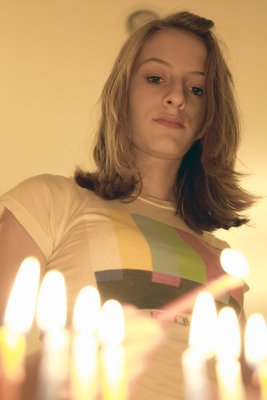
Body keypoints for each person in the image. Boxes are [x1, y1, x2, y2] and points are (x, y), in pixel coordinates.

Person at [0, 10, 257, 399]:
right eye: (156, 78)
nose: (177, 97)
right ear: (122, 94)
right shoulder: (49, 201)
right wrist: (63, 370)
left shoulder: (224, 261)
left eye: (197, 89)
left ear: (208, 116)